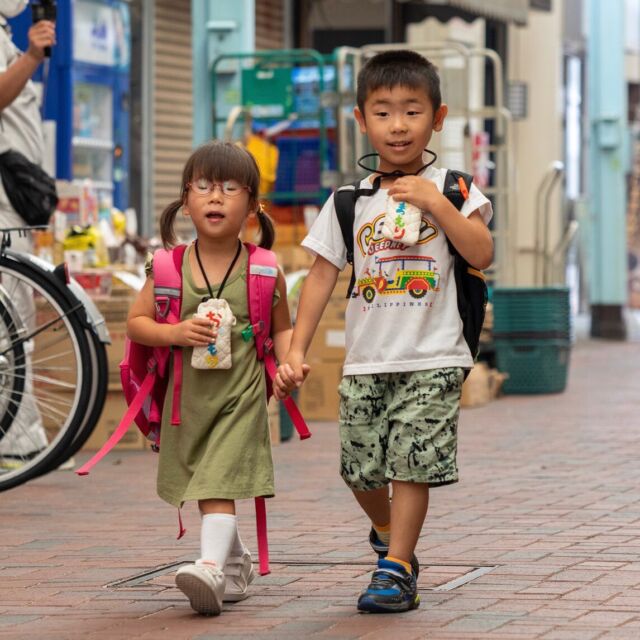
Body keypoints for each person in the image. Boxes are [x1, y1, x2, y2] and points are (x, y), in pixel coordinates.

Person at [274, 50, 494, 613]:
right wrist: (295, 351)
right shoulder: (349, 201)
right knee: (360, 468)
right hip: (367, 358)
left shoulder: (454, 187)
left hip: (434, 354)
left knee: (411, 462)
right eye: (384, 112)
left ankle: (396, 567)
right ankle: (389, 531)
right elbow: (322, 278)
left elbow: (481, 253)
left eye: (412, 111)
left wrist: (436, 204)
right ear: (361, 120)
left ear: (437, 118)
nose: (398, 125)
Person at [127, 141, 294, 616]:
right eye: (202, 187)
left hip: (240, 398)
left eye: (228, 188)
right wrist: (176, 332)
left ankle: (210, 568)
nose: (214, 197)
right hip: (188, 402)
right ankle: (237, 562)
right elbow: (138, 324)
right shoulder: (168, 267)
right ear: (185, 200)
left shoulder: (263, 268)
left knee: (217, 483)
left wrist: (287, 365)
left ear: (252, 204)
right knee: (206, 481)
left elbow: (282, 328)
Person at [0, 1, 55, 466]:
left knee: (17, 323)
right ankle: (16, 442)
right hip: (3, 206)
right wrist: (33, 57)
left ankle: (23, 440)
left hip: (15, 203)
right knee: (10, 326)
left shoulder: (5, 36)